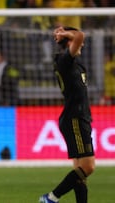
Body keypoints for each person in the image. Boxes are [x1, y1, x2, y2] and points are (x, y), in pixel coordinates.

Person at [39, 26, 95, 203]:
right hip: (75, 119)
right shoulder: (64, 61)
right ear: (69, 42)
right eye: (78, 42)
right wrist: (65, 34)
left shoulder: (76, 64)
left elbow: (79, 37)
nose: (83, 44)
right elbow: (80, 35)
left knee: (80, 170)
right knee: (88, 167)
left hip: (78, 118)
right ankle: (51, 197)